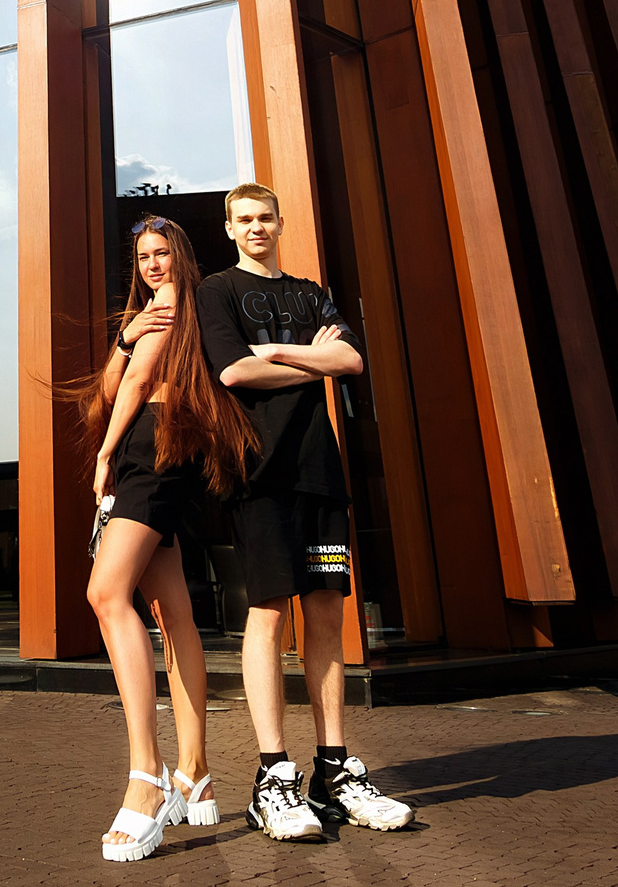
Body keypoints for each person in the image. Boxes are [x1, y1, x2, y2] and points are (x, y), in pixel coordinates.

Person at [198, 182, 413, 840]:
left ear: (280, 223)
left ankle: (335, 771)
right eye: (244, 219)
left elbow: (351, 358)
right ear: (230, 227)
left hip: (320, 475)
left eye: (265, 217)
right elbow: (234, 373)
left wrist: (276, 352)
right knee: (268, 613)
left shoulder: (309, 291)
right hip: (258, 475)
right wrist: (312, 361)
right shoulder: (217, 290)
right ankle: (273, 776)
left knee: (325, 611)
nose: (256, 227)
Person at [84, 216, 257, 863]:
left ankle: (147, 776)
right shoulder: (157, 312)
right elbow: (112, 386)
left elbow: (125, 390)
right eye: (143, 257)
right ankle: (195, 772)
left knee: (106, 594)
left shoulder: (176, 300)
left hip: (151, 450)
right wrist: (125, 336)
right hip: (166, 447)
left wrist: (105, 455)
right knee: (170, 611)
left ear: (179, 254)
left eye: (161, 252)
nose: (153, 264)